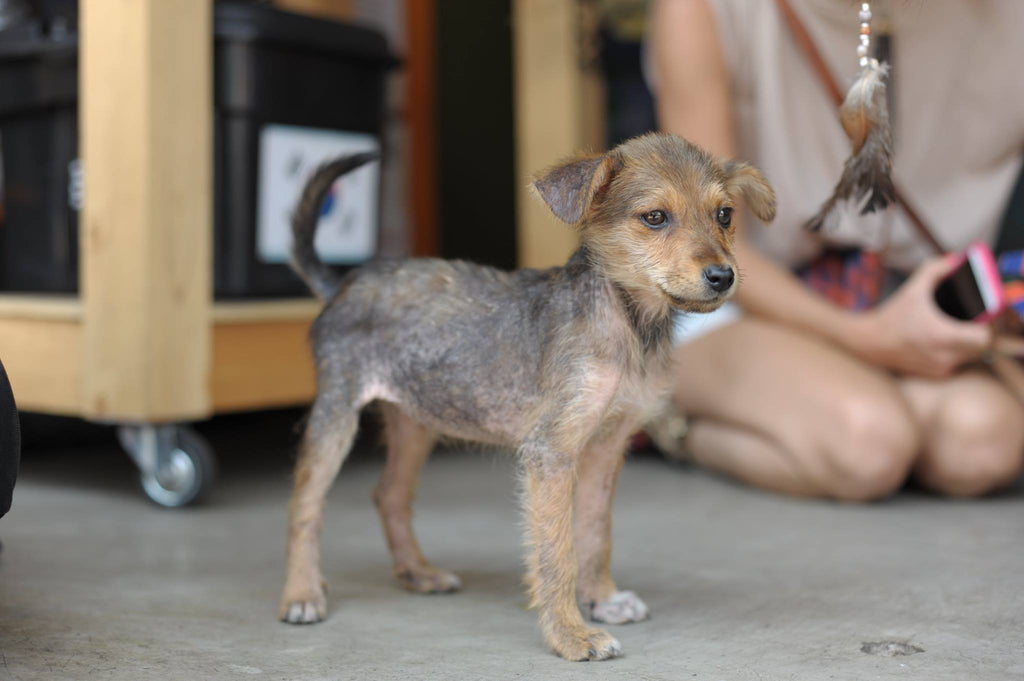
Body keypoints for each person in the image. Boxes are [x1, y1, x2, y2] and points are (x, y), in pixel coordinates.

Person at [646, 0, 1024, 500]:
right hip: (732, 297)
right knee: (867, 442)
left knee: (982, 441)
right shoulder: (703, 10)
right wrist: (868, 340)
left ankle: (836, 410)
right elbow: (704, 247)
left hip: (905, 304)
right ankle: (664, 420)